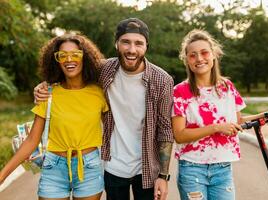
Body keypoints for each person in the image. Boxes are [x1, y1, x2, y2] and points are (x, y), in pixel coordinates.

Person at [33, 18, 174, 200]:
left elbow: (165, 130)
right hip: (113, 166)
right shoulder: (103, 69)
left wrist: (163, 176)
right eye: (125, 42)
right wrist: (44, 85)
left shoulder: (162, 80)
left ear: (146, 46)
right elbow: (71, 69)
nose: (132, 49)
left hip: (147, 168)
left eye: (138, 43)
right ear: (116, 43)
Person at [172, 29, 268, 200]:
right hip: (192, 169)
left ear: (214, 55)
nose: (199, 59)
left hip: (222, 169)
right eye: (192, 55)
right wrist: (216, 128)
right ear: (187, 60)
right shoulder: (180, 91)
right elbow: (179, 135)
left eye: (204, 52)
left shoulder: (227, 87)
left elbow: (237, 121)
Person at [0, 33, 108, 200]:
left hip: (89, 168)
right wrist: (3, 174)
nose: (69, 59)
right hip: (54, 169)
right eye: (62, 55)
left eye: (75, 54)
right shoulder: (47, 93)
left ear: (84, 58)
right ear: (56, 60)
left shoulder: (99, 92)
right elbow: (31, 140)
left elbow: (112, 130)